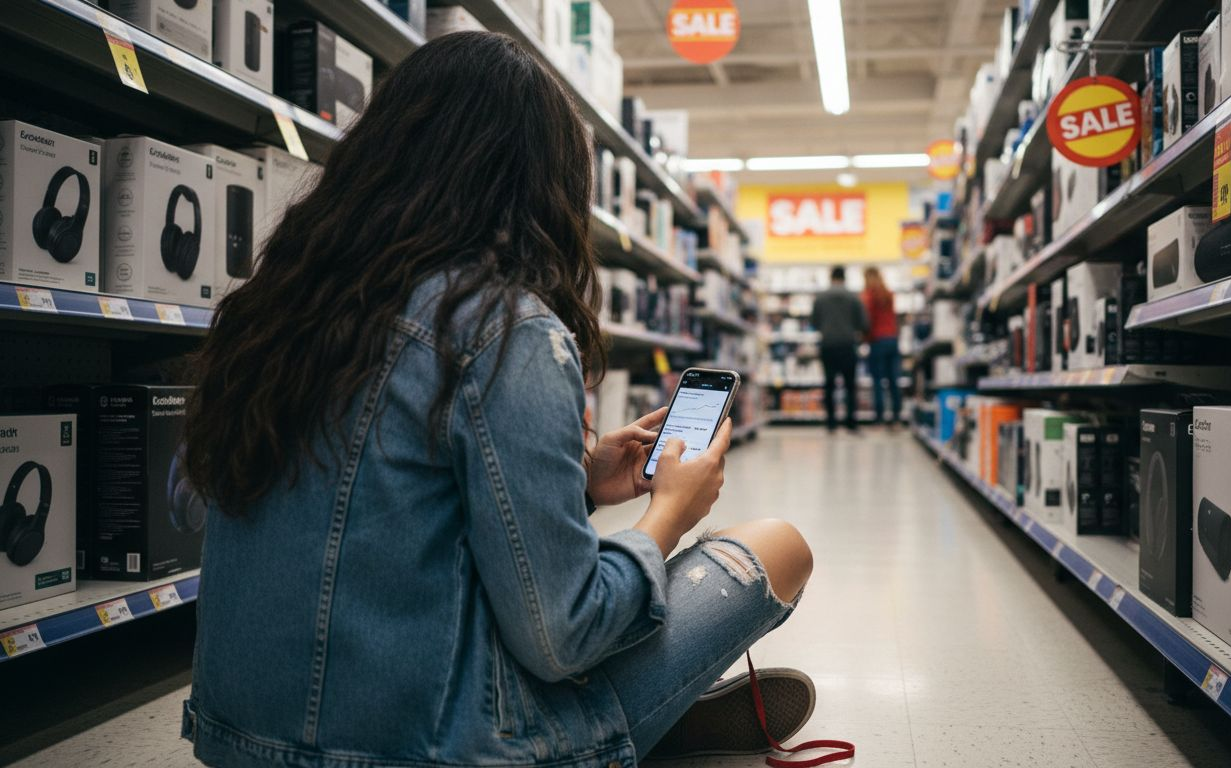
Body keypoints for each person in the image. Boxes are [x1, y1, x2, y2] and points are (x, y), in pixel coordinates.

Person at [179, 32, 815, 768]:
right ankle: (637, 715)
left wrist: (581, 481)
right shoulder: (502, 328)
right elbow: (562, 635)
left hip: (237, 740)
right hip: (429, 748)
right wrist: (671, 510)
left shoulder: (275, 309)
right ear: (541, 185)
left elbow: (392, 512)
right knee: (778, 545)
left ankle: (656, 706)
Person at [811, 265, 868, 433]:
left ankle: (831, 423)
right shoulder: (853, 297)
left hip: (828, 345)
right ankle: (851, 422)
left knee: (829, 384)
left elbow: (814, 322)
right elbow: (863, 323)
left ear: (831, 277)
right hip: (848, 345)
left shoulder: (821, 297)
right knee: (850, 385)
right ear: (845, 277)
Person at [862, 267, 902, 429]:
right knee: (893, 380)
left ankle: (879, 419)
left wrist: (865, 338)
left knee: (877, 381)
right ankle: (896, 418)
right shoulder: (888, 294)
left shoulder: (868, 296)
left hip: (877, 341)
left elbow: (867, 321)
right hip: (892, 340)